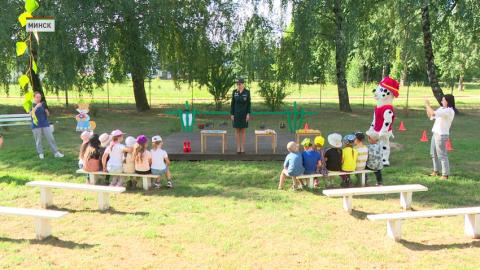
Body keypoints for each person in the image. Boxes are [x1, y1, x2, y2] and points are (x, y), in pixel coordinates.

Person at [425, 95, 456, 180]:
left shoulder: (449, 111)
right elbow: (431, 116)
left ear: (447, 101)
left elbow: (433, 113)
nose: (442, 101)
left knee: (442, 155)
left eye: (443, 100)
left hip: (442, 135)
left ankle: (445, 175)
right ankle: (436, 171)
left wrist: (428, 105)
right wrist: (427, 107)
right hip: (435, 133)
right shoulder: (441, 109)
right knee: (433, 154)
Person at [30, 91, 63, 159]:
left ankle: (56, 153)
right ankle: (41, 153)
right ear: (34, 97)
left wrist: (47, 112)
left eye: (40, 97)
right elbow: (31, 114)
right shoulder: (31, 105)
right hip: (36, 125)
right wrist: (36, 107)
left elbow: (47, 114)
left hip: (45, 124)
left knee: (51, 138)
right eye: (37, 97)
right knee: (38, 140)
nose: (39, 98)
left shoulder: (43, 104)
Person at [230, 78, 251, 154]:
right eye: (237, 84)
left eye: (240, 84)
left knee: (243, 131)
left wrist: (248, 113)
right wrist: (232, 114)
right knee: (237, 131)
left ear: (243, 84)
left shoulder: (247, 92)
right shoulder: (234, 92)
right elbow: (232, 104)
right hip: (236, 114)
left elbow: (249, 104)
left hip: (244, 114)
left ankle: (242, 147)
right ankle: (238, 147)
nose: (238, 86)